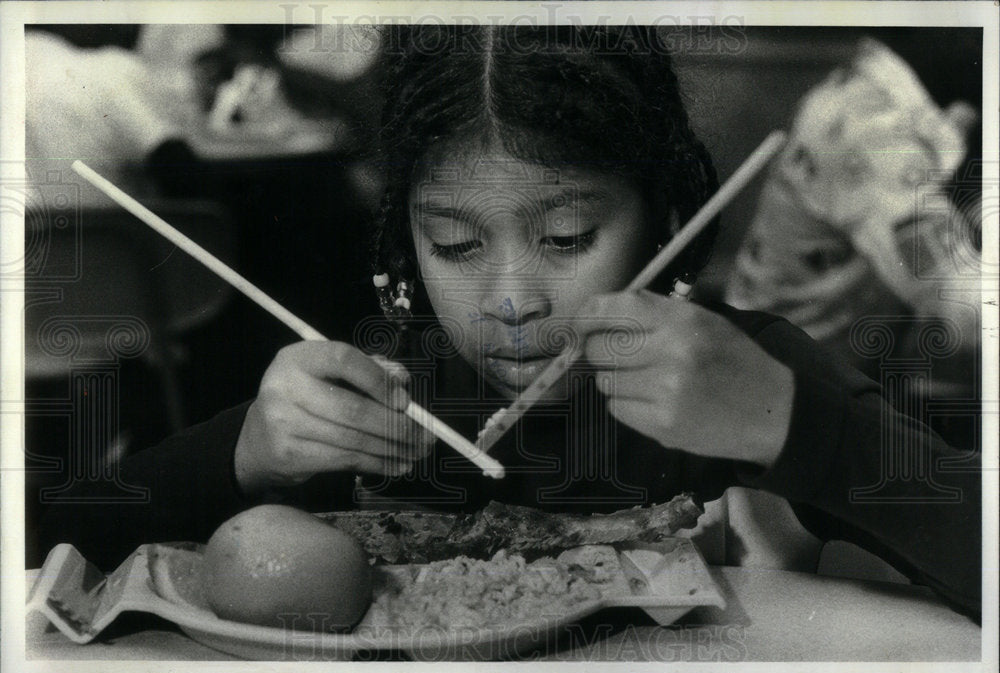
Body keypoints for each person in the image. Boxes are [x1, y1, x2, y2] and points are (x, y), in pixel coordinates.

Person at [36, 25, 981, 620]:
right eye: (453, 244)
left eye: (567, 236)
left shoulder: (738, 373)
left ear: (662, 215)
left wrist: (799, 425)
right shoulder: (371, 392)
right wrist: (241, 453)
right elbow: (47, 536)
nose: (512, 299)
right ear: (403, 239)